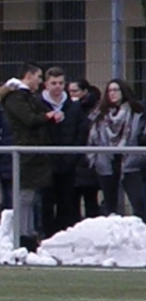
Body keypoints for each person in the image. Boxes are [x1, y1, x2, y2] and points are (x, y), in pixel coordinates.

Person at [0, 62, 57, 251]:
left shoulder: (27, 96)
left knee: (30, 196)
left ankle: (28, 232)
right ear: (29, 76)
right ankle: (23, 235)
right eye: (38, 77)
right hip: (26, 153)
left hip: (33, 153)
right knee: (25, 195)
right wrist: (48, 117)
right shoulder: (16, 98)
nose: (40, 81)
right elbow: (29, 119)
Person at [87, 78, 146, 221]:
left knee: (139, 202)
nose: (112, 93)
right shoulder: (100, 114)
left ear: (123, 91)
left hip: (131, 161)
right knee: (110, 205)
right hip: (106, 161)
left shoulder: (137, 113)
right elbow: (93, 138)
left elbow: (140, 136)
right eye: (109, 91)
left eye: (115, 90)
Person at [40, 67, 84, 235]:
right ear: (46, 84)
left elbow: (81, 132)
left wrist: (73, 156)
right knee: (46, 203)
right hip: (46, 163)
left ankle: (64, 237)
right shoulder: (38, 105)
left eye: (60, 83)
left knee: (66, 202)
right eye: (53, 83)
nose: (57, 86)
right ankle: (48, 237)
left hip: (68, 162)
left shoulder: (74, 106)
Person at [69, 78, 101, 219]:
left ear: (85, 91)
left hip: (88, 160)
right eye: (69, 91)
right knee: (72, 201)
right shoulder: (69, 107)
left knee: (90, 199)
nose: (71, 94)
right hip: (74, 161)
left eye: (75, 91)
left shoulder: (94, 110)